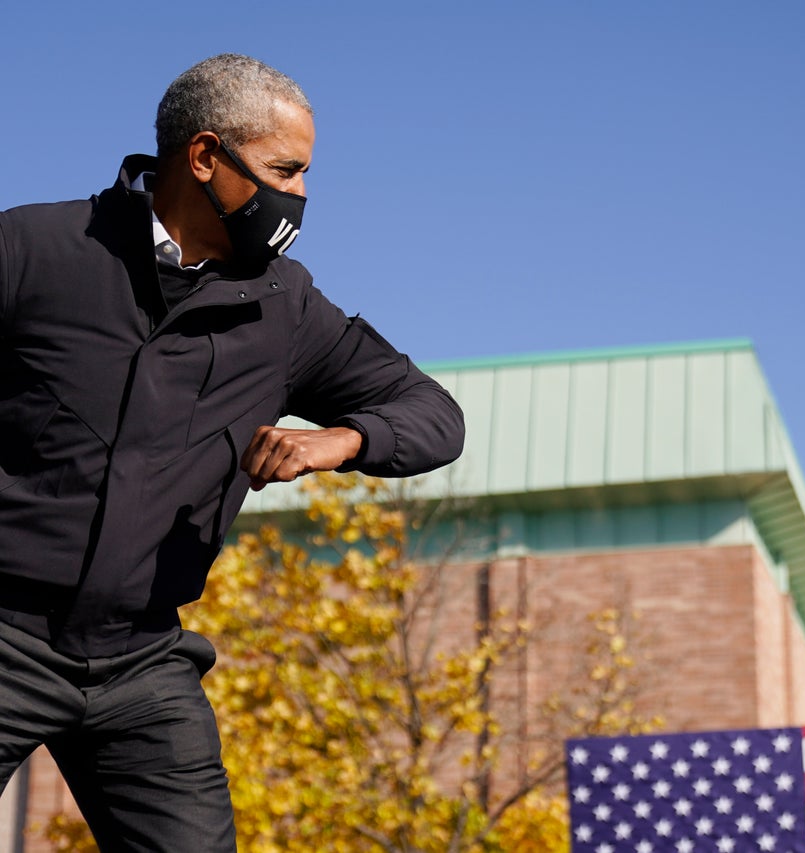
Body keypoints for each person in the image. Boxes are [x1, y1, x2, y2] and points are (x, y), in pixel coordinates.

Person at [0, 54, 464, 849]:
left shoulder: (286, 307)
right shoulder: (33, 250)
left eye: (306, 173)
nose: (301, 195)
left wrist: (342, 440)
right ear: (205, 155)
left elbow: (432, 413)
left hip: (141, 659)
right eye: (286, 169)